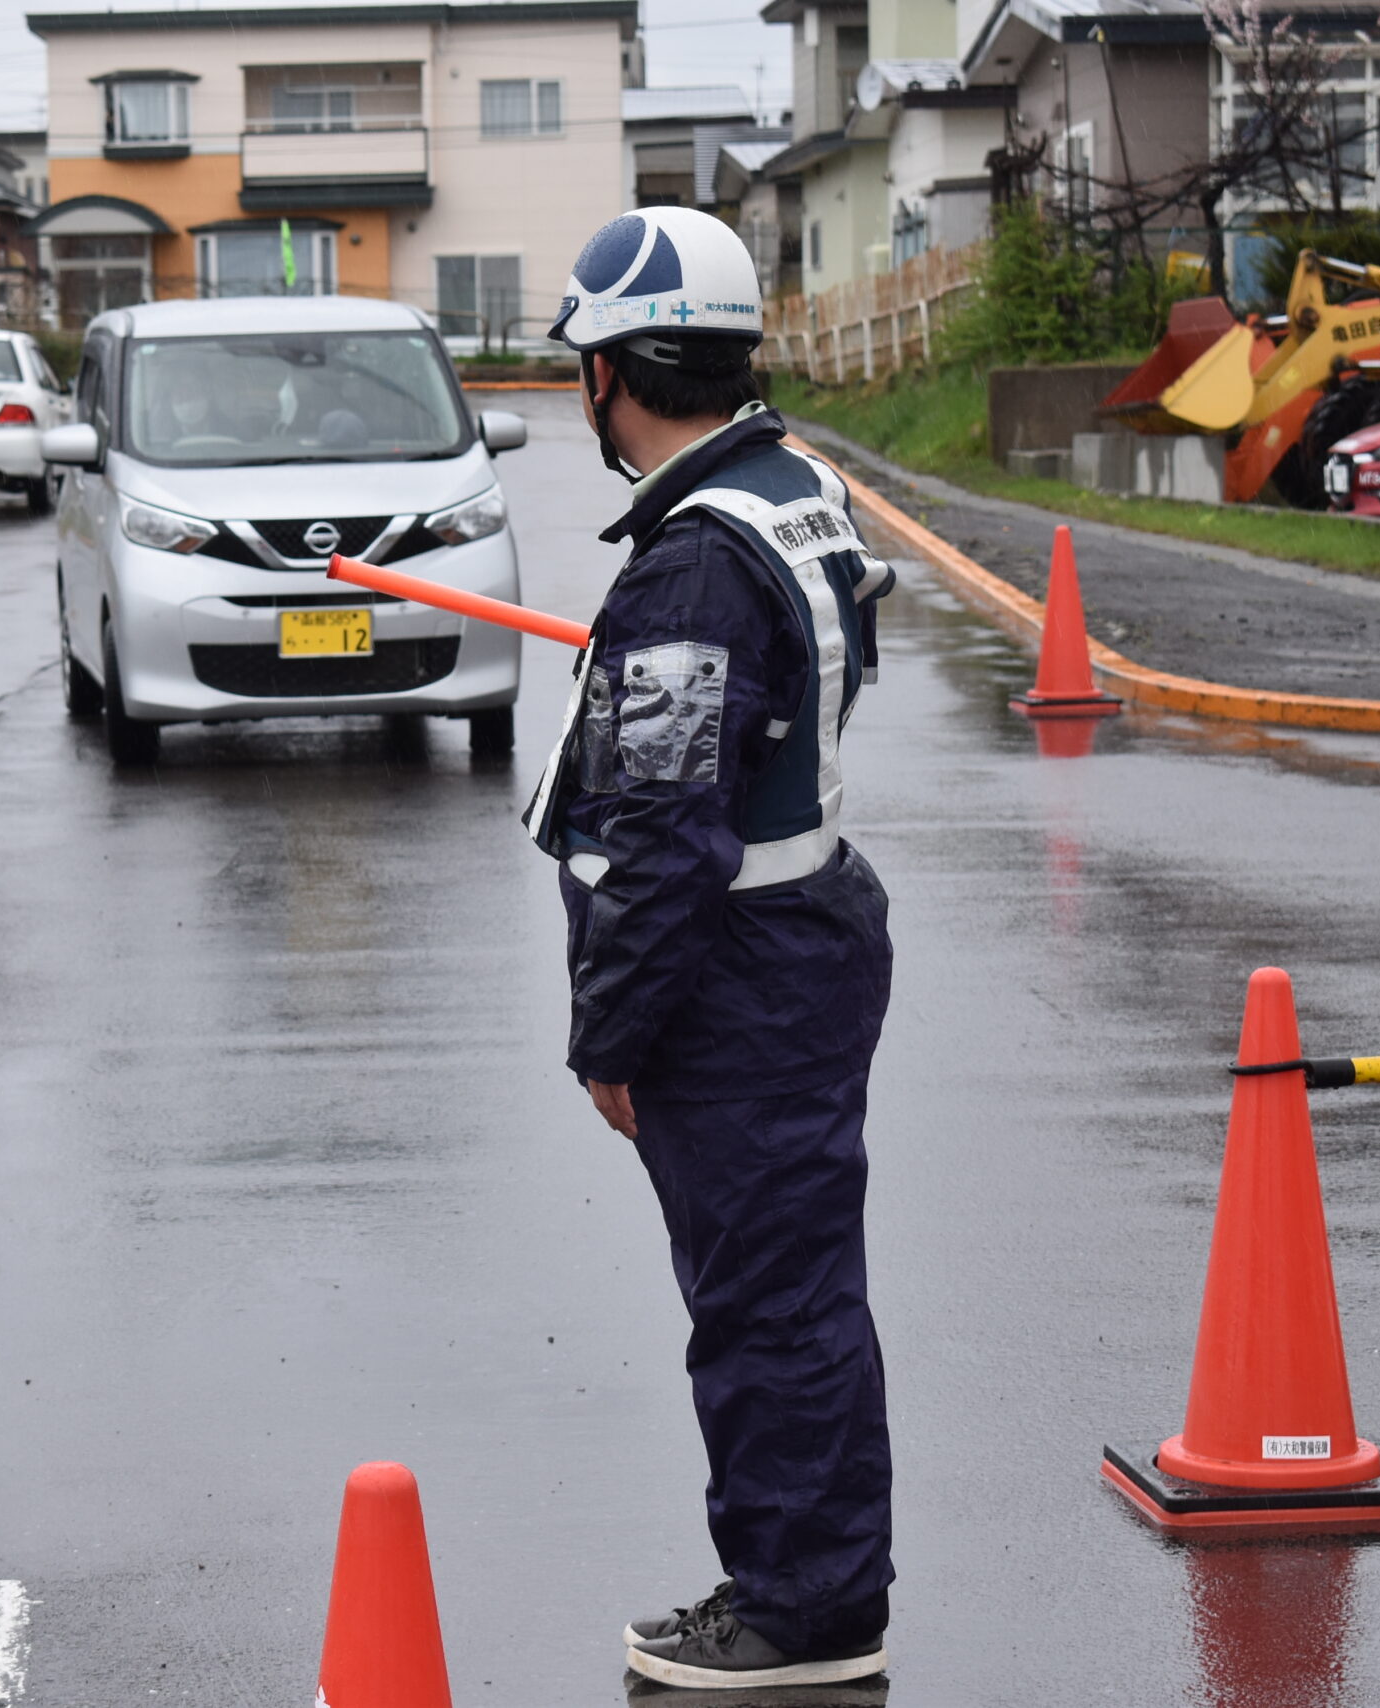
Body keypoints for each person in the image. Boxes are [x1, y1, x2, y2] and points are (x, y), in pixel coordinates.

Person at [523, 207, 898, 1691]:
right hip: (799, 942)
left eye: (586, 365)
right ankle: (812, 1583)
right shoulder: (793, 489)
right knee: (794, 1293)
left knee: (768, 1309)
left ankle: (802, 1609)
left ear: (613, 372)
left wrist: (612, 1032)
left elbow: (668, 830)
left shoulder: (693, 569)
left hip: (738, 981)